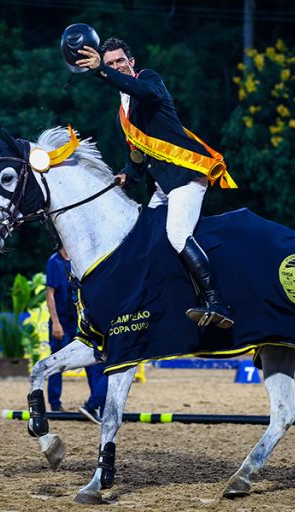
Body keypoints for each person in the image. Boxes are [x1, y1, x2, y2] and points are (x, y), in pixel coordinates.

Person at [76, 37, 236, 329]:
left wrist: (102, 71)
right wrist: (128, 174)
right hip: (162, 186)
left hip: (186, 176)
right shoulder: (122, 113)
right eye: (110, 63)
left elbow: (145, 93)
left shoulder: (148, 79)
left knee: (176, 234)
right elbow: (138, 154)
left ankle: (217, 302)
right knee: (144, 239)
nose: (116, 67)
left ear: (131, 62)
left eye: (119, 61)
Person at [46, 247, 107, 424]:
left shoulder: (78, 259)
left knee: (93, 362)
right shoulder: (54, 262)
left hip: (80, 322)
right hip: (62, 322)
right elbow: (50, 294)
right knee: (58, 362)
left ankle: (96, 405)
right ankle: (55, 405)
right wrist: (55, 322)